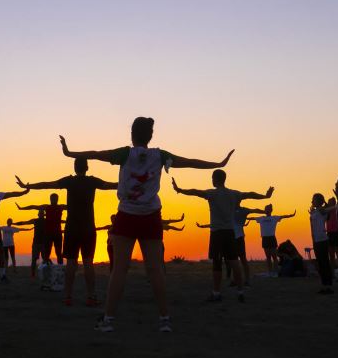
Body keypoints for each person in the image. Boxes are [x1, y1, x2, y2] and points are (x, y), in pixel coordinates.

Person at [62, 118, 233, 333]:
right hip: (151, 216)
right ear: (150, 136)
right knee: (155, 271)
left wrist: (70, 154)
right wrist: (217, 164)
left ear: (132, 135)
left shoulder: (125, 154)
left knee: (119, 270)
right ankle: (164, 320)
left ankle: (108, 319)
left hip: (126, 215)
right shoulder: (159, 156)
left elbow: (96, 153)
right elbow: (190, 161)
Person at [17, 160, 119, 306]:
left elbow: (47, 184)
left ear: (74, 167)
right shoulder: (92, 181)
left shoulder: (69, 181)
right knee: (88, 262)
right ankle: (91, 297)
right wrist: (136, 184)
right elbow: (113, 185)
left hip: (72, 228)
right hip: (88, 228)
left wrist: (27, 186)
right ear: (87, 168)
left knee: (71, 262)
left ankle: (68, 297)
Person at [171, 169, 268, 304]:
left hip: (217, 234)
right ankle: (240, 291)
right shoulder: (234, 194)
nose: (211, 180)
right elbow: (250, 194)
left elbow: (195, 192)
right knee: (234, 261)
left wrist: (180, 189)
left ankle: (216, 294)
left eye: (212, 178)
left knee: (217, 263)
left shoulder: (212, 193)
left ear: (215, 179)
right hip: (230, 233)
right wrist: (264, 196)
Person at [16, 192, 67, 270]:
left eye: (55, 198)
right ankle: (46, 269)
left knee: (59, 253)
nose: (53, 200)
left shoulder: (61, 207)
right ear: (50, 199)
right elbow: (33, 206)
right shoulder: (46, 207)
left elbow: (72, 207)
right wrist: (22, 208)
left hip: (57, 234)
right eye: (52, 198)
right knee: (47, 254)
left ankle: (60, 270)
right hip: (49, 234)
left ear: (57, 199)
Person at [247, 205, 297, 278]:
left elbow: (283, 216)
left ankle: (275, 272)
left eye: (268, 209)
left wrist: (291, 215)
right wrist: (244, 216)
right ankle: (270, 272)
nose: (266, 210)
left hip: (272, 238)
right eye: (265, 209)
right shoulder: (261, 218)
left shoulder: (274, 218)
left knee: (274, 256)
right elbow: (252, 218)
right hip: (264, 239)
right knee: (268, 257)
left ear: (271, 210)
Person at [308, 193, 335, 294]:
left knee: (325, 263)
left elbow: (329, 209)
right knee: (320, 263)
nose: (312, 201)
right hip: (316, 240)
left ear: (319, 201)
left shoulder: (322, 211)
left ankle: (329, 286)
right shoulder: (314, 212)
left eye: (314, 199)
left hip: (323, 240)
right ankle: (324, 285)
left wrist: (326, 205)